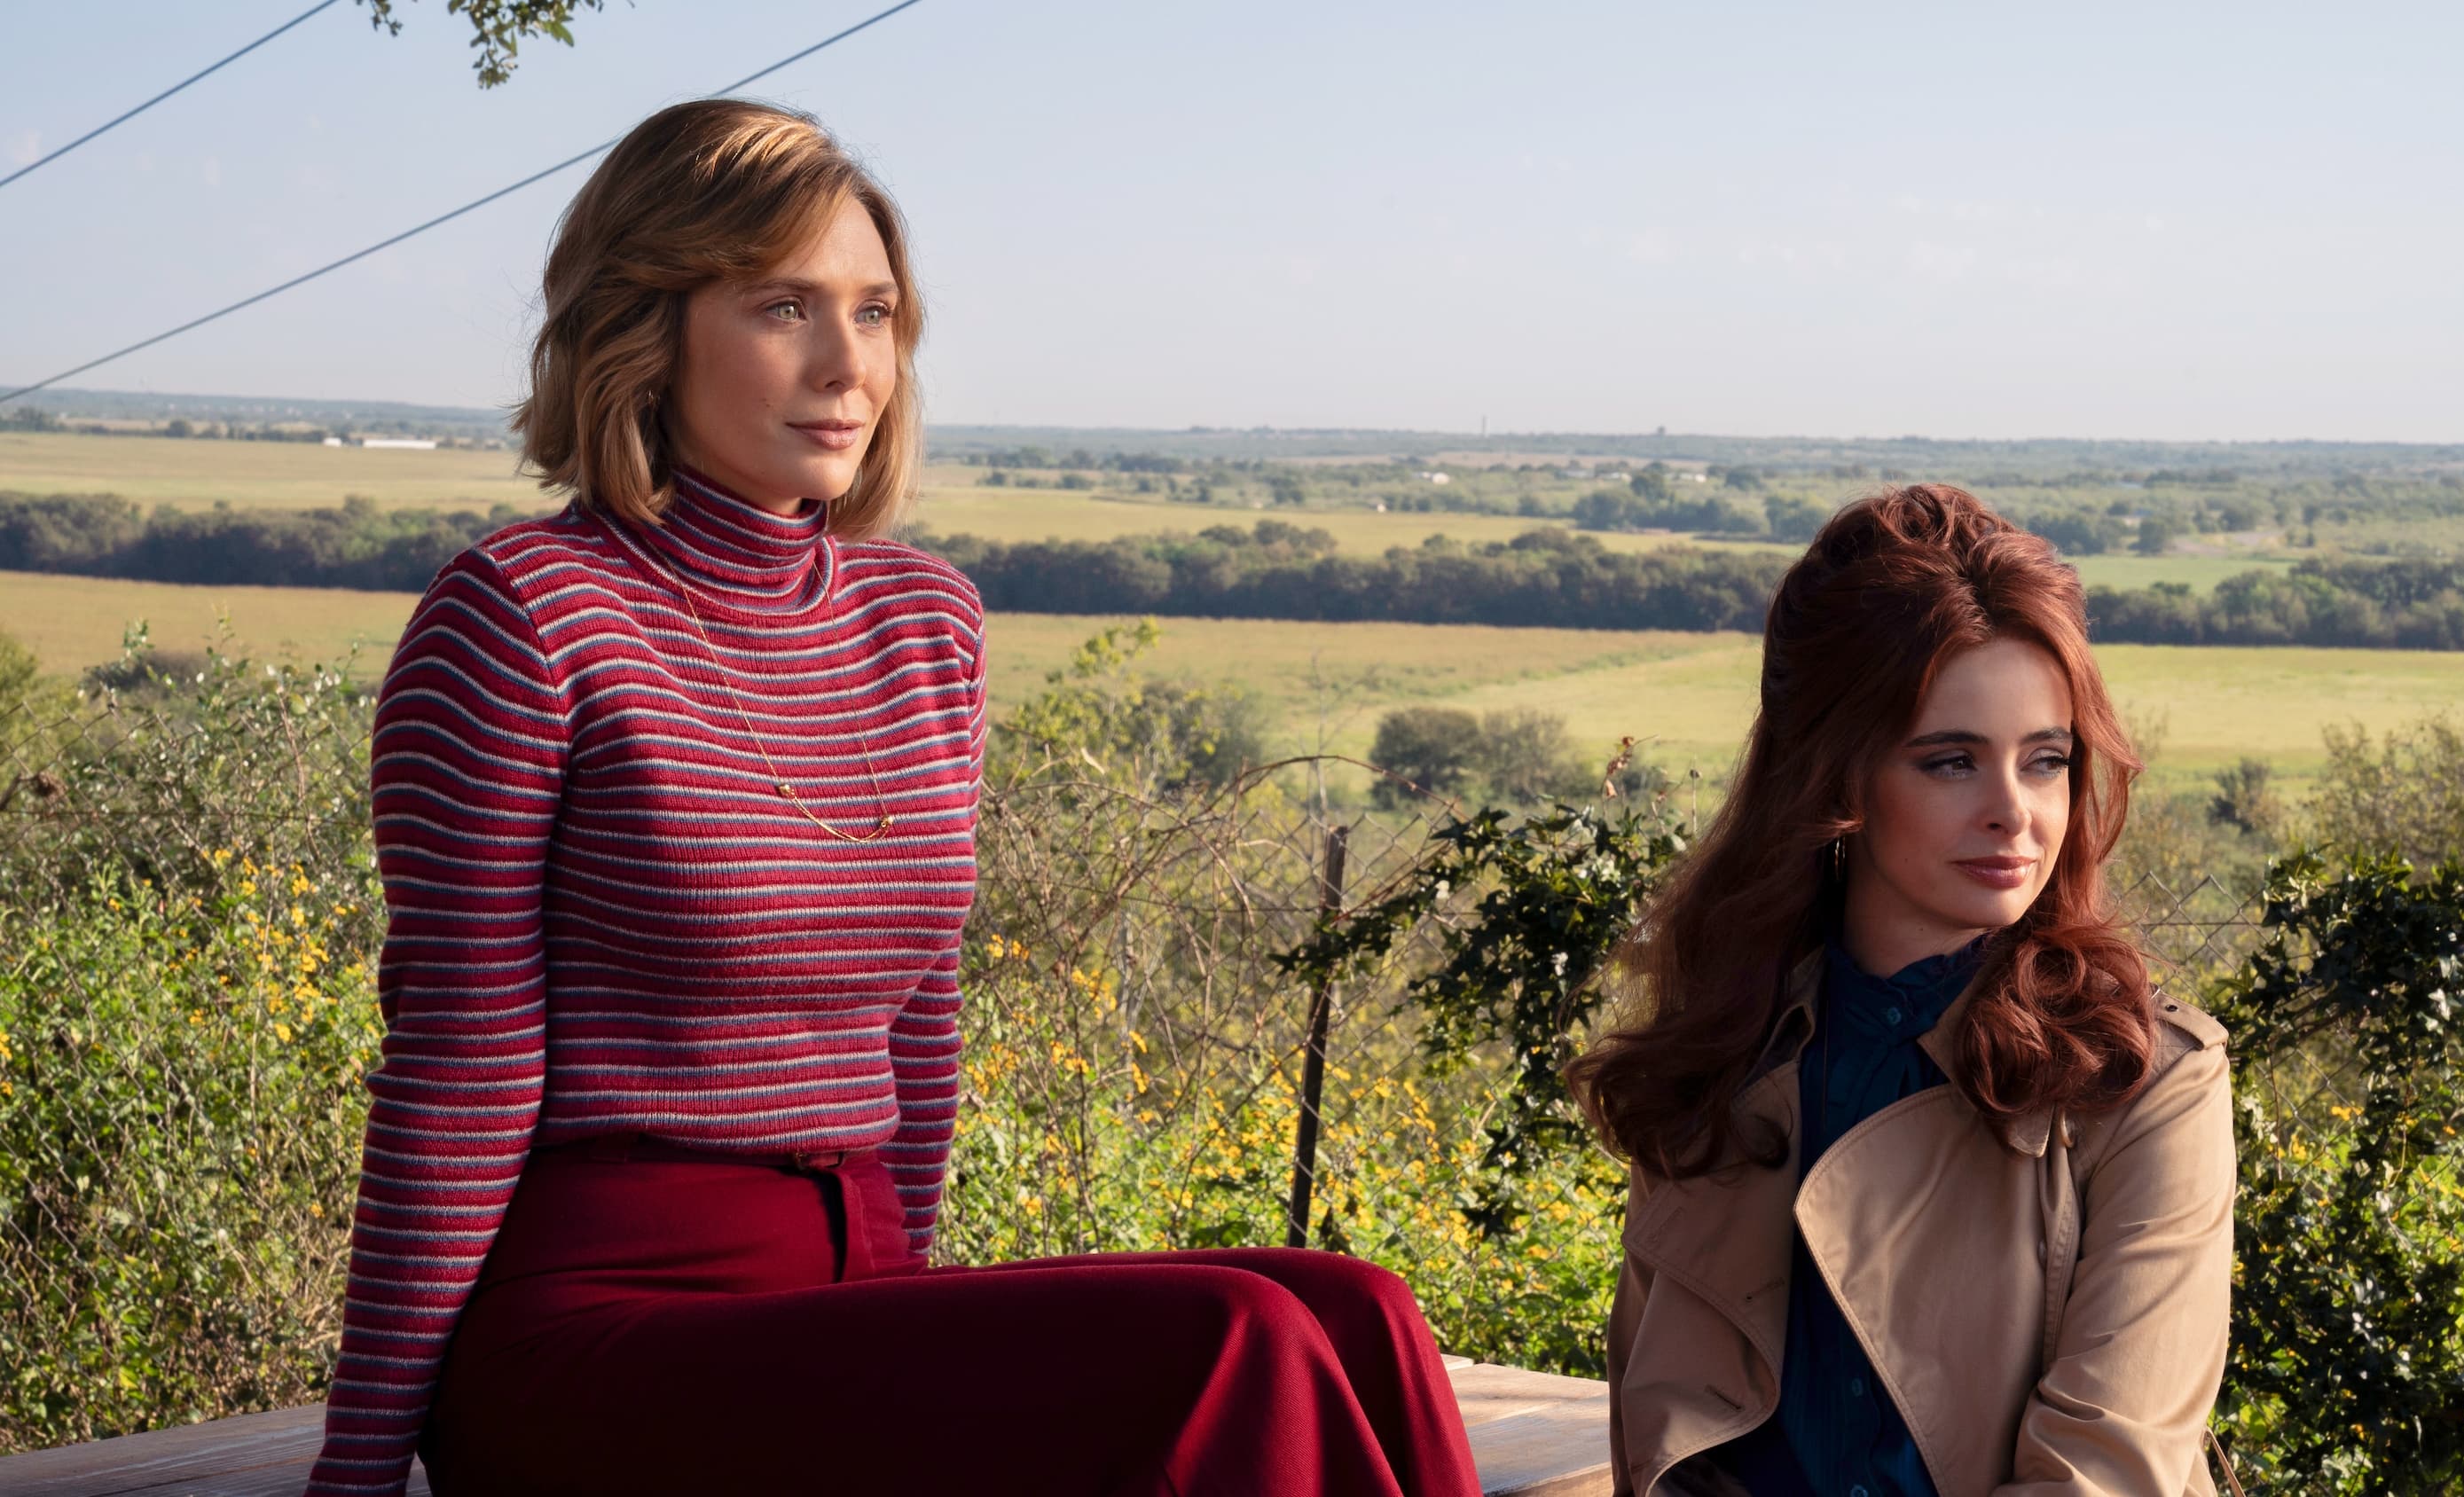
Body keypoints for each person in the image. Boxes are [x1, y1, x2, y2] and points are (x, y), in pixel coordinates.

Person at [303, 98, 1481, 1497]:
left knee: (1354, 1309)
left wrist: (921, 1344)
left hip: (839, 1309)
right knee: (1233, 1340)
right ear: (644, 331)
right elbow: (459, 1065)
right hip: (597, 1338)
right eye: (783, 307)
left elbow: (920, 1020)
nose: (849, 365)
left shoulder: (925, 620)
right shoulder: (525, 614)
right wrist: (357, 1474)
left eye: (875, 313)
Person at [1571, 485, 2236, 1497]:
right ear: (1836, 776)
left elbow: (2106, 1473)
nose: (2014, 812)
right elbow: (1661, 1444)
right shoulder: (1719, 1055)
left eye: (2046, 760)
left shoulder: (2142, 1083)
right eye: (1951, 761)